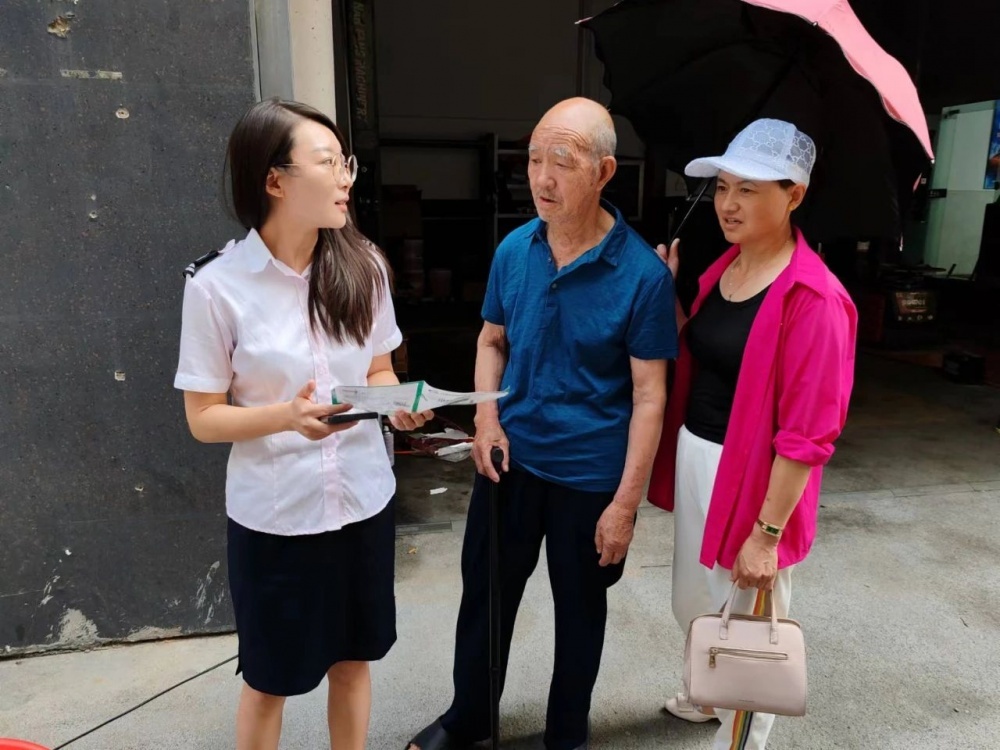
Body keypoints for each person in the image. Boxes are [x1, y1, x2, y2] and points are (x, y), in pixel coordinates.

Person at [406, 97, 678, 750]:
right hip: (510, 462)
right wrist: (487, 421)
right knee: (485, 597)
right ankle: (469, 716)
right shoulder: (514, 250)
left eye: (562, 161)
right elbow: (491, 340)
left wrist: (625, 505)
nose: (542, 178)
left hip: (589, 476)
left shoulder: (642, 276)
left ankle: (566, 734)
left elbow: (650, 396)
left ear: (604, 172)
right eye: (532, 159)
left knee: (580, 611)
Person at [174, 98, 432, 750]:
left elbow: (378, 370)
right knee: (270, 680)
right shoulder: (216, 287)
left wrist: (399, 402)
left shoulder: (364, 267)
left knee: (353, 660)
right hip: (276, 519)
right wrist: (286, 417)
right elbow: (203, 418)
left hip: (362, 502)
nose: (346, 178)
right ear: (275, 180)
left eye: (346, 163)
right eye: (328, 163)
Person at [648, 118, 858, 750]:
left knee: (748, 619)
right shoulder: (725, 268)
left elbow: (808, 437)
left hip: (755, 474)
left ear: (794, 195)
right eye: (722, 187)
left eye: (749, 189)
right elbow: (704, 350)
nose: (728, 204)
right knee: (695, 599)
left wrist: (767, 536)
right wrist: (667, 291)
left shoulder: (814, 299)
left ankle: (741, 735)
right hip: (698, 453)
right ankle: (710, 691)